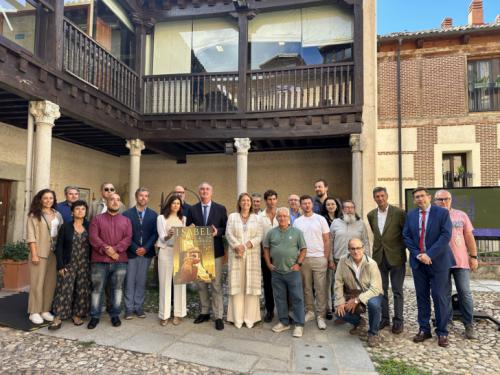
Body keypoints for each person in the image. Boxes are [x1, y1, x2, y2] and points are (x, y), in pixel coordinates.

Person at [403, 187, 454, 348]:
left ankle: (442, 332)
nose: (420, 199)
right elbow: (406, 236)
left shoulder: (442, 213)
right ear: (413, 200)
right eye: (416, 197)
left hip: (438, 263)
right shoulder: (410, 215)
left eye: (422, 196)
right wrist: (418, 255)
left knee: (439, 296)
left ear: (429, 197)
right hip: (419, 263)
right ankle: (424, 329)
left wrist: (429, 255)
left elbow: (445, 235)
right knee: (421, 296)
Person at [434, 189, 478, 339]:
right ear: (435, 201)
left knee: (465, 293)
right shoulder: (432, 216)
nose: (444, 202)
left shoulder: (461, 215)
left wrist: (473, 256)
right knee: (444, 294)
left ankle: (469, 325)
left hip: (461, 261)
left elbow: (469, 236)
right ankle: (447, 321)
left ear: (451, 199)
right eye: (440, 200)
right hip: (441, 262)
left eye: (446, 199)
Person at [186, 182, 228, 330]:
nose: (204, 191)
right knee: (201, 283)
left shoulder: (220, 209)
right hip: (198, 252)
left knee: (216, 284)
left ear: (212, 192)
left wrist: (218, 232)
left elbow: (225, 228)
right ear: (199, 192)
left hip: (215, 251)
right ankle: (204, 312)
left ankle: (218, 316)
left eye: (207, 189)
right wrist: (189, 229)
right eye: (202, 189)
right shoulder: (192, 209)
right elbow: (188, 229)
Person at [88, 193, 132, 329]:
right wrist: (107, 249)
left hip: (120, 261)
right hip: (99, 261)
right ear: (107, 202)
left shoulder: (126, 221)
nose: (115, 202)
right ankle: (95, 316)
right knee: (97, 289)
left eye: (118, 200)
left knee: (117, 289)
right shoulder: (97, 219)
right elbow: (93, 237)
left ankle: (115, 315)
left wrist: (116, 250)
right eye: (112, 199)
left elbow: (128, 238)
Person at [367, 187, 407, 334]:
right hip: (379, 257)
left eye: (382, 195)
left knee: (397, 290)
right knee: (381, 290)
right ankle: (384, 318)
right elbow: (378, 235)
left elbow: (405, 233)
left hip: (396, 257)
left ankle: (398, 321)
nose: (380, 198)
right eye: (377, 196)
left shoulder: (399, 213)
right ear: (374, 198)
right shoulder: (371, 215)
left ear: (387, 196)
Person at [263, 207, 307, 338]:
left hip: (292, 272)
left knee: (297, 298)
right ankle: (284, 322)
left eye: (284, 216)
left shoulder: (297, 232)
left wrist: (298, 264)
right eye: (279, 216)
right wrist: (268, 264)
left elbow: (304, 249)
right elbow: (266, 249)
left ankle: (299, 324)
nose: (282, 218)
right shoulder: (271, 233)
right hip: (277, 272)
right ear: (276, 218)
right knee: (280, 298)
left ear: (289, 218)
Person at [49, 200, 91, 330]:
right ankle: (58, 316)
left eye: (83, 209)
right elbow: (59, 247)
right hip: (69, 263)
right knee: (64, 289)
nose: (80, 211)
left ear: (86, 212)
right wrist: (60, 265)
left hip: (84, 264)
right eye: (77, 209)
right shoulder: (66, 227)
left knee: (82, 289)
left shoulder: (90, 226)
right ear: (72, 212)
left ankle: (77, 314)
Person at [334, 238, 383, 347]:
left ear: (363, 248)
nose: (356, 251)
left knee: (374, 305)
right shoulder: (343, 261)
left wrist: (357, 300)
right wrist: (340, 301)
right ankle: (359, 322)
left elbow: (376, 288)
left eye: (358, 248)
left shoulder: (371, 264)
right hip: (352, 293)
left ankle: (373, 333)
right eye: (353, 249)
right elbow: (338, 282)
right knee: (339, 311)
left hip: (371, 293)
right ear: (348, 250)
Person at [293, 195, 332, 330]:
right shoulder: (297, 222)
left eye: (309, 203)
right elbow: (296, 242)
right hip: (304, 259)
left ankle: (320, 315)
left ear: (312, 204)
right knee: (307, 288)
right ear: (301, 206)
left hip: (319, 258)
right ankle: (310, 311)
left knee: (320, 289)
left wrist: (325, 258)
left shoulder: (320, 219)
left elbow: (327, 240)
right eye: (304, 203)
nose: (307, 205)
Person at [225, 193, 263, 328]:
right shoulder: (232, 216)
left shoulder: (257, 218)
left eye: (248, 200)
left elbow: (259, 236)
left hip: (252, 256)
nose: (246, 202)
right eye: (243, 200)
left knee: (250, 286)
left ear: (251, 203)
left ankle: (250, 318)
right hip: (236, 256)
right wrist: (237, 246)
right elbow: (228, 233)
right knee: (238, 285)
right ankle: (237, 318)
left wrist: (246, 245)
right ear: (239, 203)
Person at [26, 189, 63, 325]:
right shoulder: (34, 215)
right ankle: (34, 311)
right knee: (37, 282)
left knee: (50, 282)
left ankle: (45, 310)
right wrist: (34, 254)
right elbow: (31, 236)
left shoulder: (58, 214)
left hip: (53, 253)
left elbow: (61, 232)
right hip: (39, 252)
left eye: (51, 198)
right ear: (40, 199)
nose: (48, 201)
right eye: (45, 198)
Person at [122, 188, 158, 320]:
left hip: (146, 253)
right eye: (141, 196)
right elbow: (124, 234)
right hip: (131, 252)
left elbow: (155, 233)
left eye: (146, 196)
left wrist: (146, 248)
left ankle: (138, 307)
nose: (143, 198)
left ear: (148, 198)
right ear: (136, 197)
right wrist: (135, 247)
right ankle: (128, 309)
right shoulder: (127, 214)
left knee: (141, 281)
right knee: (129, 280)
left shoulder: (154, 215)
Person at [156, 195, 187, 326]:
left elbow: (185, 237)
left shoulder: (183, 219)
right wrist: (168, 235)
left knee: (180, 284)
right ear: (169, 205)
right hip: (166, 251)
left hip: (180, 252)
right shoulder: (161, 218)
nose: (175, 205)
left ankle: (178, 314)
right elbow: (162, 237)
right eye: (173, 203)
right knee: (165, 283)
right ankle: (164, 315)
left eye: (178, 204)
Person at [258, 189, 279, 322]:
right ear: (265, 201)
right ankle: (270, 310)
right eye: (269, 199)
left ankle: (284, 310)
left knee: (281, 283)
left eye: (273, 199)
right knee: (268, 284)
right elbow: (259, 237)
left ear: (277, 200)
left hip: (280, 256)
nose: (271, 202)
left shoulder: (282, 214)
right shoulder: (260, 217)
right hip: (265, 255)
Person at [320, 196, 342, 320]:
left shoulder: (342, 219)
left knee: (337, 283)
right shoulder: (322, 219)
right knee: (327, 283)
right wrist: (328, 257)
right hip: (327, 253)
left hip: (339, 254)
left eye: (332, 204)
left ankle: (337, 305)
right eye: (328, 204)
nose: (330, 206)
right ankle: (328, 308)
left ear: (337, 205)